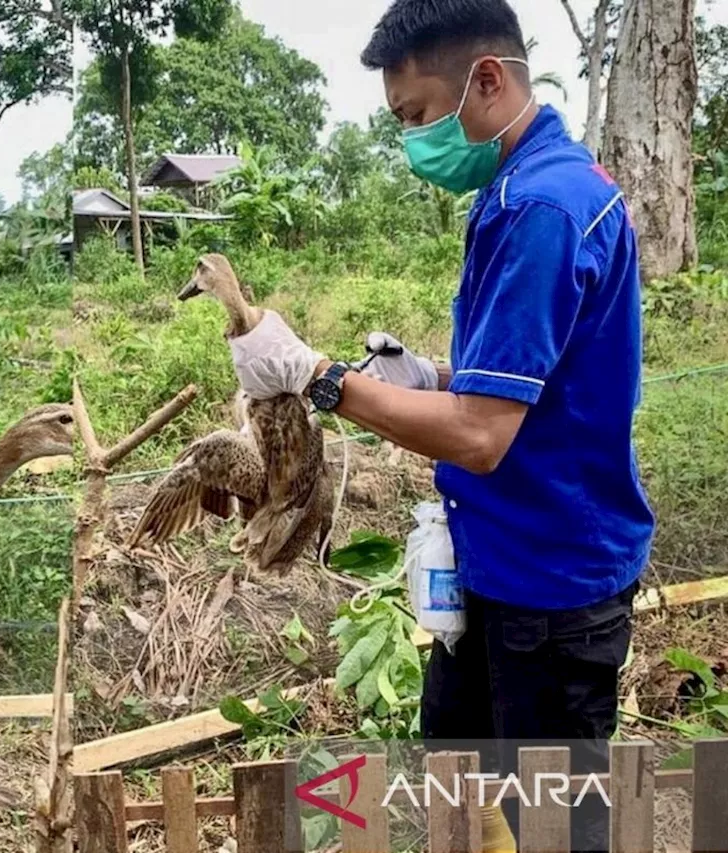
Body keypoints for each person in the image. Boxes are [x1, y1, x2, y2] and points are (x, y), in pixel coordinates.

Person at [229, 2, 653, 850]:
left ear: (486, 79)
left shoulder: (541, 209)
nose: (415, 141)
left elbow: (480, 436)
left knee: (557, 827)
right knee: (460, 771)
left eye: (418, 117)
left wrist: (321, 378)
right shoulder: (528, 190)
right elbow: (529, 382)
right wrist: (432, 376)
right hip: (500, 567)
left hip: (552, 586)